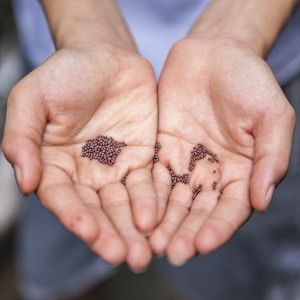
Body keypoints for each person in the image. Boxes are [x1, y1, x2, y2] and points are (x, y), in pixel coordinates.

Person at [2, 0, 300, 299]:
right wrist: (84, 26)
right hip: (73, 87)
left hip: (244, 90)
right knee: (63, 243)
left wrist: (237, 31)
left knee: (227, 269)